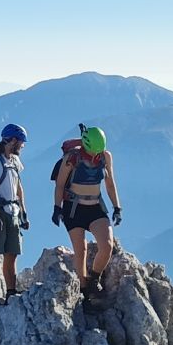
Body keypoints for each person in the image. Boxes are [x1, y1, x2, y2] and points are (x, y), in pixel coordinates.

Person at [52, 125, 122, 301]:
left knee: (106, 246)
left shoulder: (105, 157)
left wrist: (117, 207)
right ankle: (84, 290)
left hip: (95, 207)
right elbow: (60, 185)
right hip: (73, 209)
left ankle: (94, 279)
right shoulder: (72, 158)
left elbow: (110, 184)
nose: (95, 155)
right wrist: (57, 208)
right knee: (80, 250)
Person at [0, 123, 30, 306]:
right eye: (21, 142)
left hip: (13, 211)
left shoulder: (14, 161)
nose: (23, 146)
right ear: (13, 140)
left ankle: (11, 291)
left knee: (12, 252)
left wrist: (23, 211)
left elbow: (18, 187)